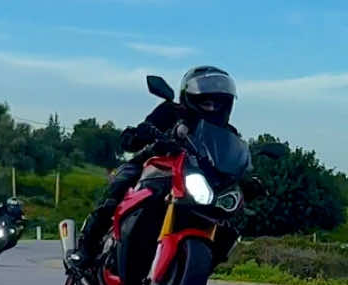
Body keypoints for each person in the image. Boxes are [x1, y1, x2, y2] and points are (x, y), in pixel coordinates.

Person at [66, 67, 239, 274]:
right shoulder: (171, 112)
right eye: (206, 102)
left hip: (193, 183)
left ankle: (189, 273)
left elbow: (234, 159)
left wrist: (249, 177)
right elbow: (139, 133)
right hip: (153, 169)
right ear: (190, 98)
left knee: (227, 226)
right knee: (121, 183)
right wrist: (141, 134)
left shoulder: (228, 134)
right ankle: (85, 247)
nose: (211, 108)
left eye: (217, 103)